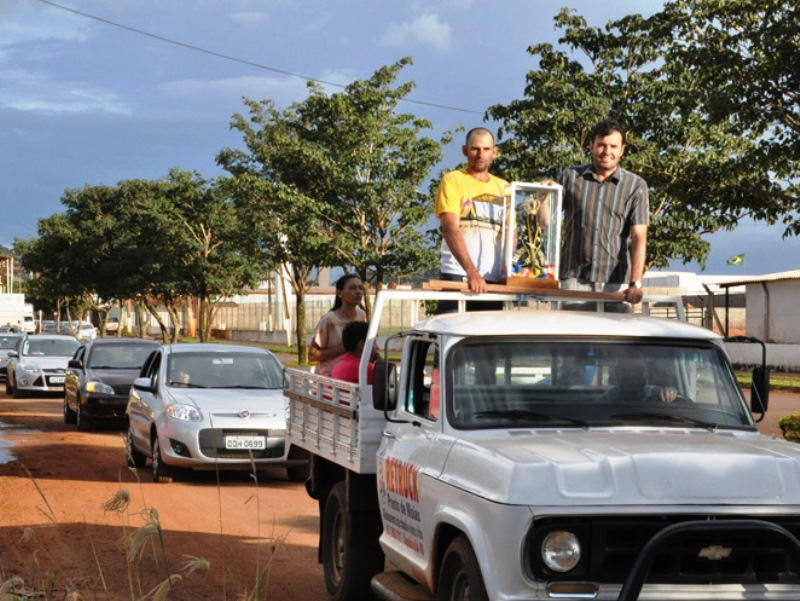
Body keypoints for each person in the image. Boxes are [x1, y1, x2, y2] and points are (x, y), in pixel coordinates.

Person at [545, 118, 649, 312]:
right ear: (591, 146)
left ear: (622, 150)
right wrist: (545, 196)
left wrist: (636, 283)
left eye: (613, 146)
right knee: (571, 338)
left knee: (615, 340)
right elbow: (544, 223)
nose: (606, 151)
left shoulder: (636, 186)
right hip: (573, 279)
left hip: (615, 283)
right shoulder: (569, 177)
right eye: (601, 145)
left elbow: (639, 237)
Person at [435, 127, 509, 313]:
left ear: (494, 152)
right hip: (458, 275)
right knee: (450, 332)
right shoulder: (452, 180)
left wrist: (506, 273)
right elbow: (450, 228)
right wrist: (471, 272)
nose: (480, 154)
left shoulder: (504, 187)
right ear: (465, 150)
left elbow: (511, 234)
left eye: (486, 149)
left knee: (487, 338)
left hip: (492, 280)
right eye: (475, 149)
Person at [309, 273, 367, 376]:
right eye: (352, 288)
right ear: (339, 293)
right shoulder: (329, 320)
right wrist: (346, 347)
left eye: (360, 288)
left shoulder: (362, 316)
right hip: (330, 381)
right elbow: (312, 355)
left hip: (354, 376)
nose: (358, 292)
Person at [597, 359, 678, 403]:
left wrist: (670, 393)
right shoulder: (608, 398)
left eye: (638, 369)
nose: (632, 374)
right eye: (625, 370)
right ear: (616, 373)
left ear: (646, 373)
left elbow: (668, 395)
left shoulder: (658, 393)